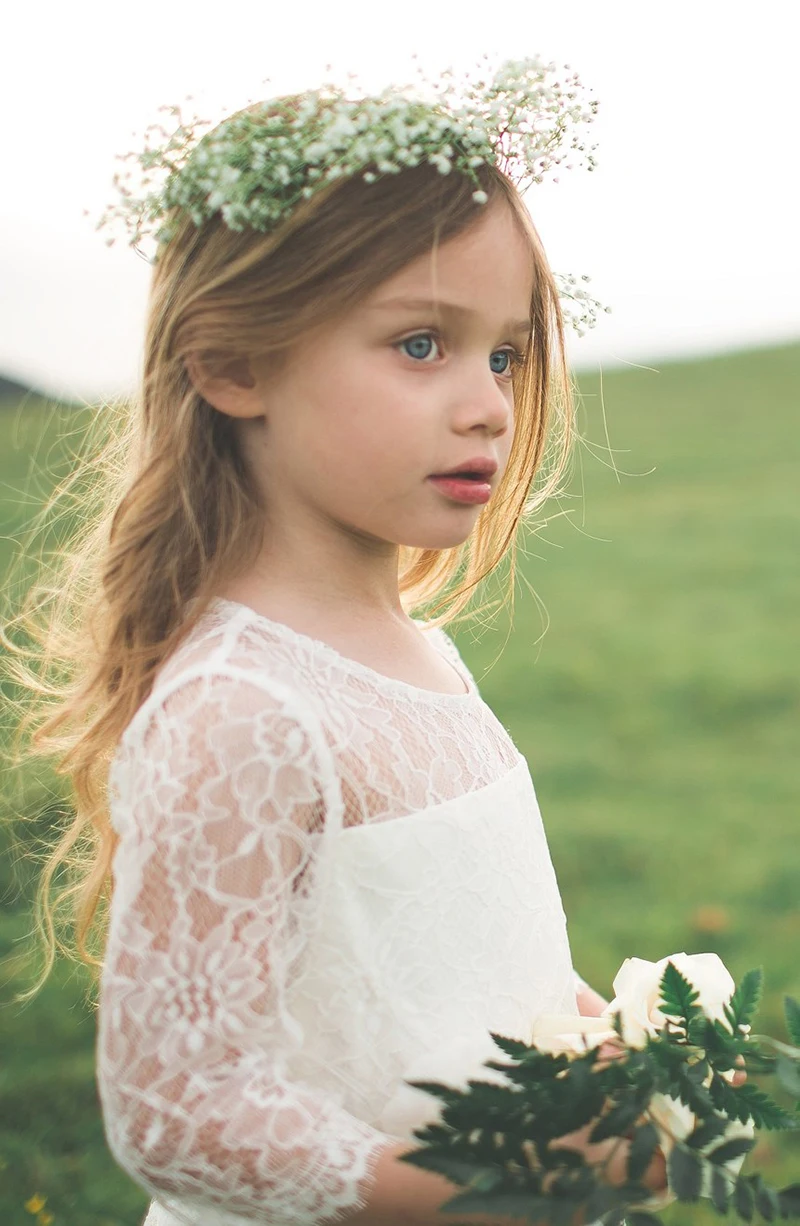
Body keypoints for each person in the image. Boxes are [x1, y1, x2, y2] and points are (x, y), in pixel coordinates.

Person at [5, 59, 669, 1225]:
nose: (488, 404)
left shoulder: (417, 651)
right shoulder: (241, 708)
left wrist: (607, 1071)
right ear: (232, 363)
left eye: (504, 353)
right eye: (421, 344)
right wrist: (485, 1191)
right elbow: (180, 1108)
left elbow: (456, 969)